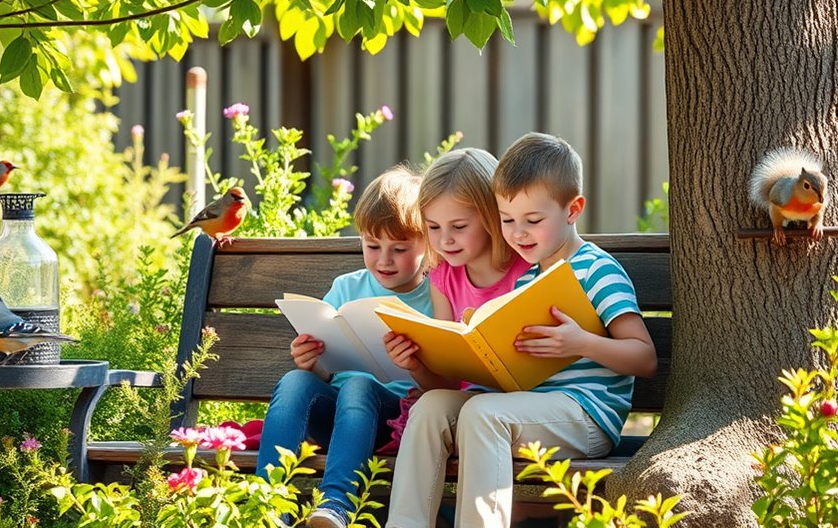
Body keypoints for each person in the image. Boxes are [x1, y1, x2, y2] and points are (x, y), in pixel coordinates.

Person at [384, 133, 658, 528]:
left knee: (483, 414)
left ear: (573, 209)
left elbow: (644, 357)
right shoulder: (526, 277)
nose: (518, 234)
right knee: (429, 410)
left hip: (586, 416)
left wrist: (580, 341)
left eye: (532, 221)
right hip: (529, 409)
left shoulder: (597, 270)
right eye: (508, 221)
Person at [255, 165, 432, 528]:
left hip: (391, 419)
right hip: (336, 415)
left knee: (359, 384)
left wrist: (414, 363)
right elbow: (329, 370)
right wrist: (312, 363)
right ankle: (268, 505)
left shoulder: (436, 297)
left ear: (428, 243)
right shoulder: (346, 287)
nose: (384, 260)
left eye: (399, 248)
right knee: (294, 381)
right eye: (372, 246)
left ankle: (335, 506)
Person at [383, 148, 530, 392]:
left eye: (459, 226)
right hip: (464, 401)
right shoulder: (442, 277)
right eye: (433, 227)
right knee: (429, 405)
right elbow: (448, 382)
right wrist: (415, 366)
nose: (444, 240)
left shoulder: (527, 268)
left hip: (516, 402)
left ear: (491, 217)